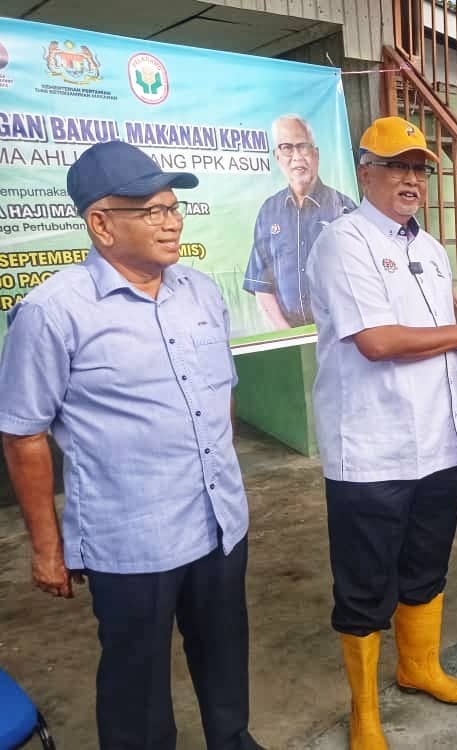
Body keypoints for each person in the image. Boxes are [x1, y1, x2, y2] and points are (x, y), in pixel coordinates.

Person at [0, 141, 263, 750]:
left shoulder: (199, 291)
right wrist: (47, 547)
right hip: (131, 539)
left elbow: (220, 393)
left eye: (173, 208)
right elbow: (24, 434)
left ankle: (233, 740)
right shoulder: (53, 311)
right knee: (136, 686)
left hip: (219, 522)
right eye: (150, 210)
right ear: (101, 224)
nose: (170, 221)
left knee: (225, 654)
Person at [306, 116, 457, 749]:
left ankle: (418, 666)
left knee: (425, 565)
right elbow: (378, 342)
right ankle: (365, 711)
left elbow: (442, 325)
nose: (411, 179)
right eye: (397, 166)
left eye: (418, 168)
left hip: (440, 441)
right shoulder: (345, 241)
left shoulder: (431, 247)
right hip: (372, 449)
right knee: (364, 583)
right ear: (365, 171)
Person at [243, 114, 357, 329]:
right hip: (288, 335)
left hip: (340, 334)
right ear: (277, 157)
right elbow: (262, 284)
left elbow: (362, 280)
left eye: (303, 147)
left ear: (316, 154)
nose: (296, 157)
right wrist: (287, 335)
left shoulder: (345, 209)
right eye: (286, 148)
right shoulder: (268, 212)